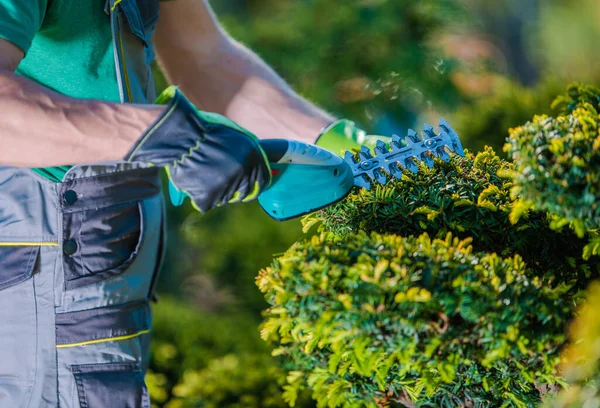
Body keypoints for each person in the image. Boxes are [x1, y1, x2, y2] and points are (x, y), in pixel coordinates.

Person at [0, 1, 387, 406]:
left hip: (104, 270)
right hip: (36, 276)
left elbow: (202, 54)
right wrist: (167, 136)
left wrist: (332, 142)